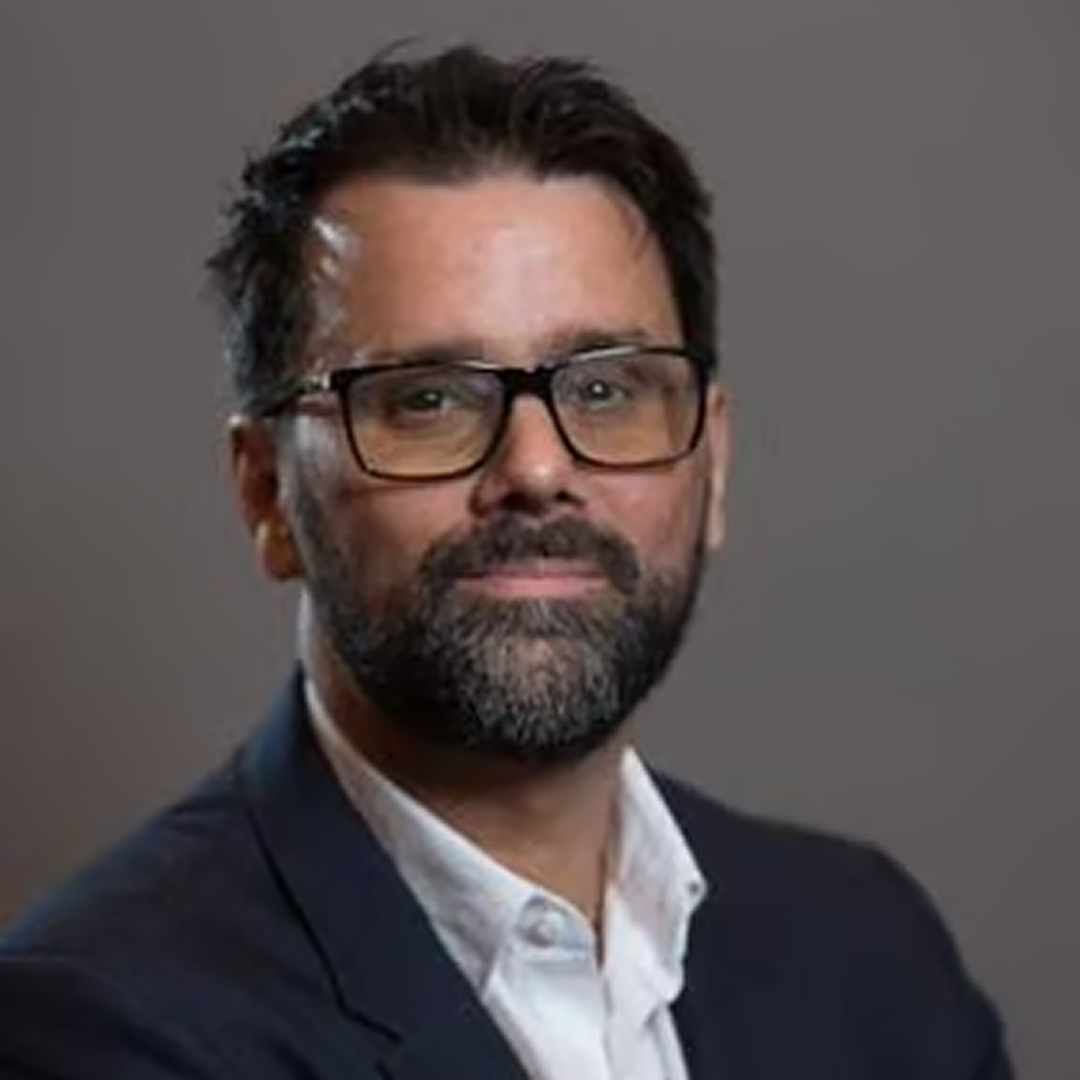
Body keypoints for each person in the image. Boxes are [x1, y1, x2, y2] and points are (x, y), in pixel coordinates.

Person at [0, 43, 1013, 1080]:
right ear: (267, 493)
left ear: (712, 466)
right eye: (428, 399)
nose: (537, 468)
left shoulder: (871, 956)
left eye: (608, 390)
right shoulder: (97, 1029)